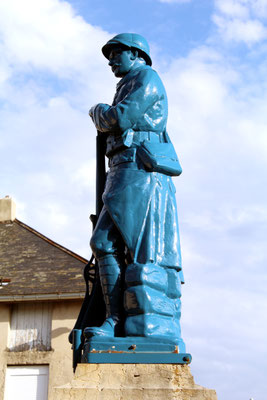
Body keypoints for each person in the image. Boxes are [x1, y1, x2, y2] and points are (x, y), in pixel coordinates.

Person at [87, 33, 184, 340]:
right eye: (110, 55)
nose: (111, 60)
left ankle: (132, 321)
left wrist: (97, 111)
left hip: (139, 171)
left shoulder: (147, 77)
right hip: (122, 168)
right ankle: (116, 319)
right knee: (103, 243)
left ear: (135, 53)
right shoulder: (128, 83)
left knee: (138, 250)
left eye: (116, 54)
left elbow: (119, 118)